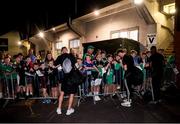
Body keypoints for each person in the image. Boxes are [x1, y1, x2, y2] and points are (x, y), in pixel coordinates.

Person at [56, 47, 78, 115]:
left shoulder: (60, 57)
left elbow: (55, 64)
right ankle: (68, 110)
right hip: (71, 77)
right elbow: (76, 65)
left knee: (62, 93)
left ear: (62, 51)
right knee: (71, 94)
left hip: (65, 77)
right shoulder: (71, 55)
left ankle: (59, 108)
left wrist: (60, 65)